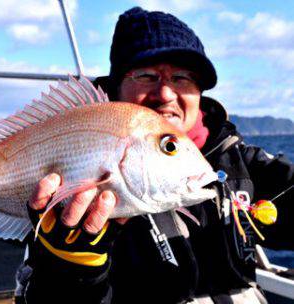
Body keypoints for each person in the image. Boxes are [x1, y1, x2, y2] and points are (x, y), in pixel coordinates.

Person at [15, 7, 294, 304]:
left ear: (199, 91)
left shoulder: (237, 159)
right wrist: (69, 268)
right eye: (146, 75)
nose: (165, 94)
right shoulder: (83, 168)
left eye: (182, 77)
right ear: (116, 88)